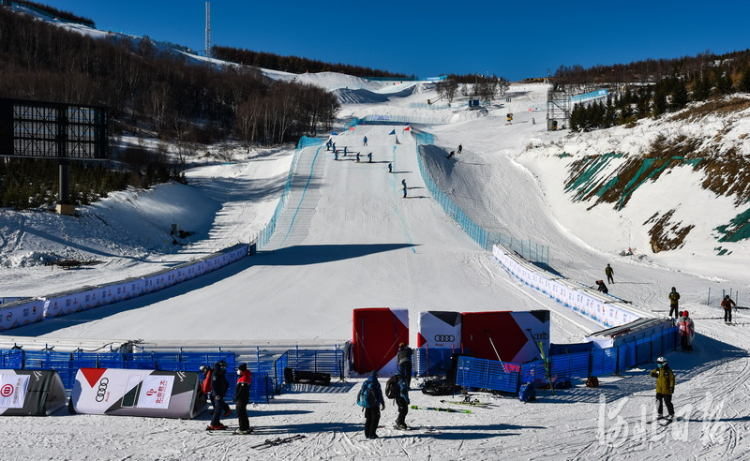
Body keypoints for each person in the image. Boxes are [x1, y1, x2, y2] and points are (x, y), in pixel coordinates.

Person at [359, 370, 385, 439]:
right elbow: (379, 394)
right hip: (375, 404)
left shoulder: (366, 382)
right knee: (375, 419)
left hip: (367, 404)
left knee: (368, 419)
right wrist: (382, 403)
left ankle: (367, 434)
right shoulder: (376, 383)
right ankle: (372, 434)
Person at [649, 357, 675, 421]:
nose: (658, 364)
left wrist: (672, 387)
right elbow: (651, 373)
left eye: (660, 363)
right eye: (658, 363)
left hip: (667, 390)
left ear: (664, 363)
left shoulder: (668, 371)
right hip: (659, 390)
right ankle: (660, 414)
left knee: (667, 402)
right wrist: (654, 375)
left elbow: (672, 380)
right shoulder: (657, 370)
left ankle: (671, 414)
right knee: (658, 402)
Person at [208, 360, 231, 430]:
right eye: (223, 366)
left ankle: (216, 422)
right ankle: (214, 424)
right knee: (218, 409)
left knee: (219, 408)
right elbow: (213, 384)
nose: (224, 368)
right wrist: (216, 394)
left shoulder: (221, 373)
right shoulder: (216, 373)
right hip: (217, 394)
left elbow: (224, 382)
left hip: (220, 393)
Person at [233, 363, 252, 434]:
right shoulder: (244, 376)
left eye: (239, 370)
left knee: (240, 412)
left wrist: (236, 397)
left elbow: (242, 390)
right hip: (243, 398)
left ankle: (243, 428)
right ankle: (245, 426)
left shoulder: (245, 377)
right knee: (242, 412)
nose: (238, 371)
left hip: (242, 398)